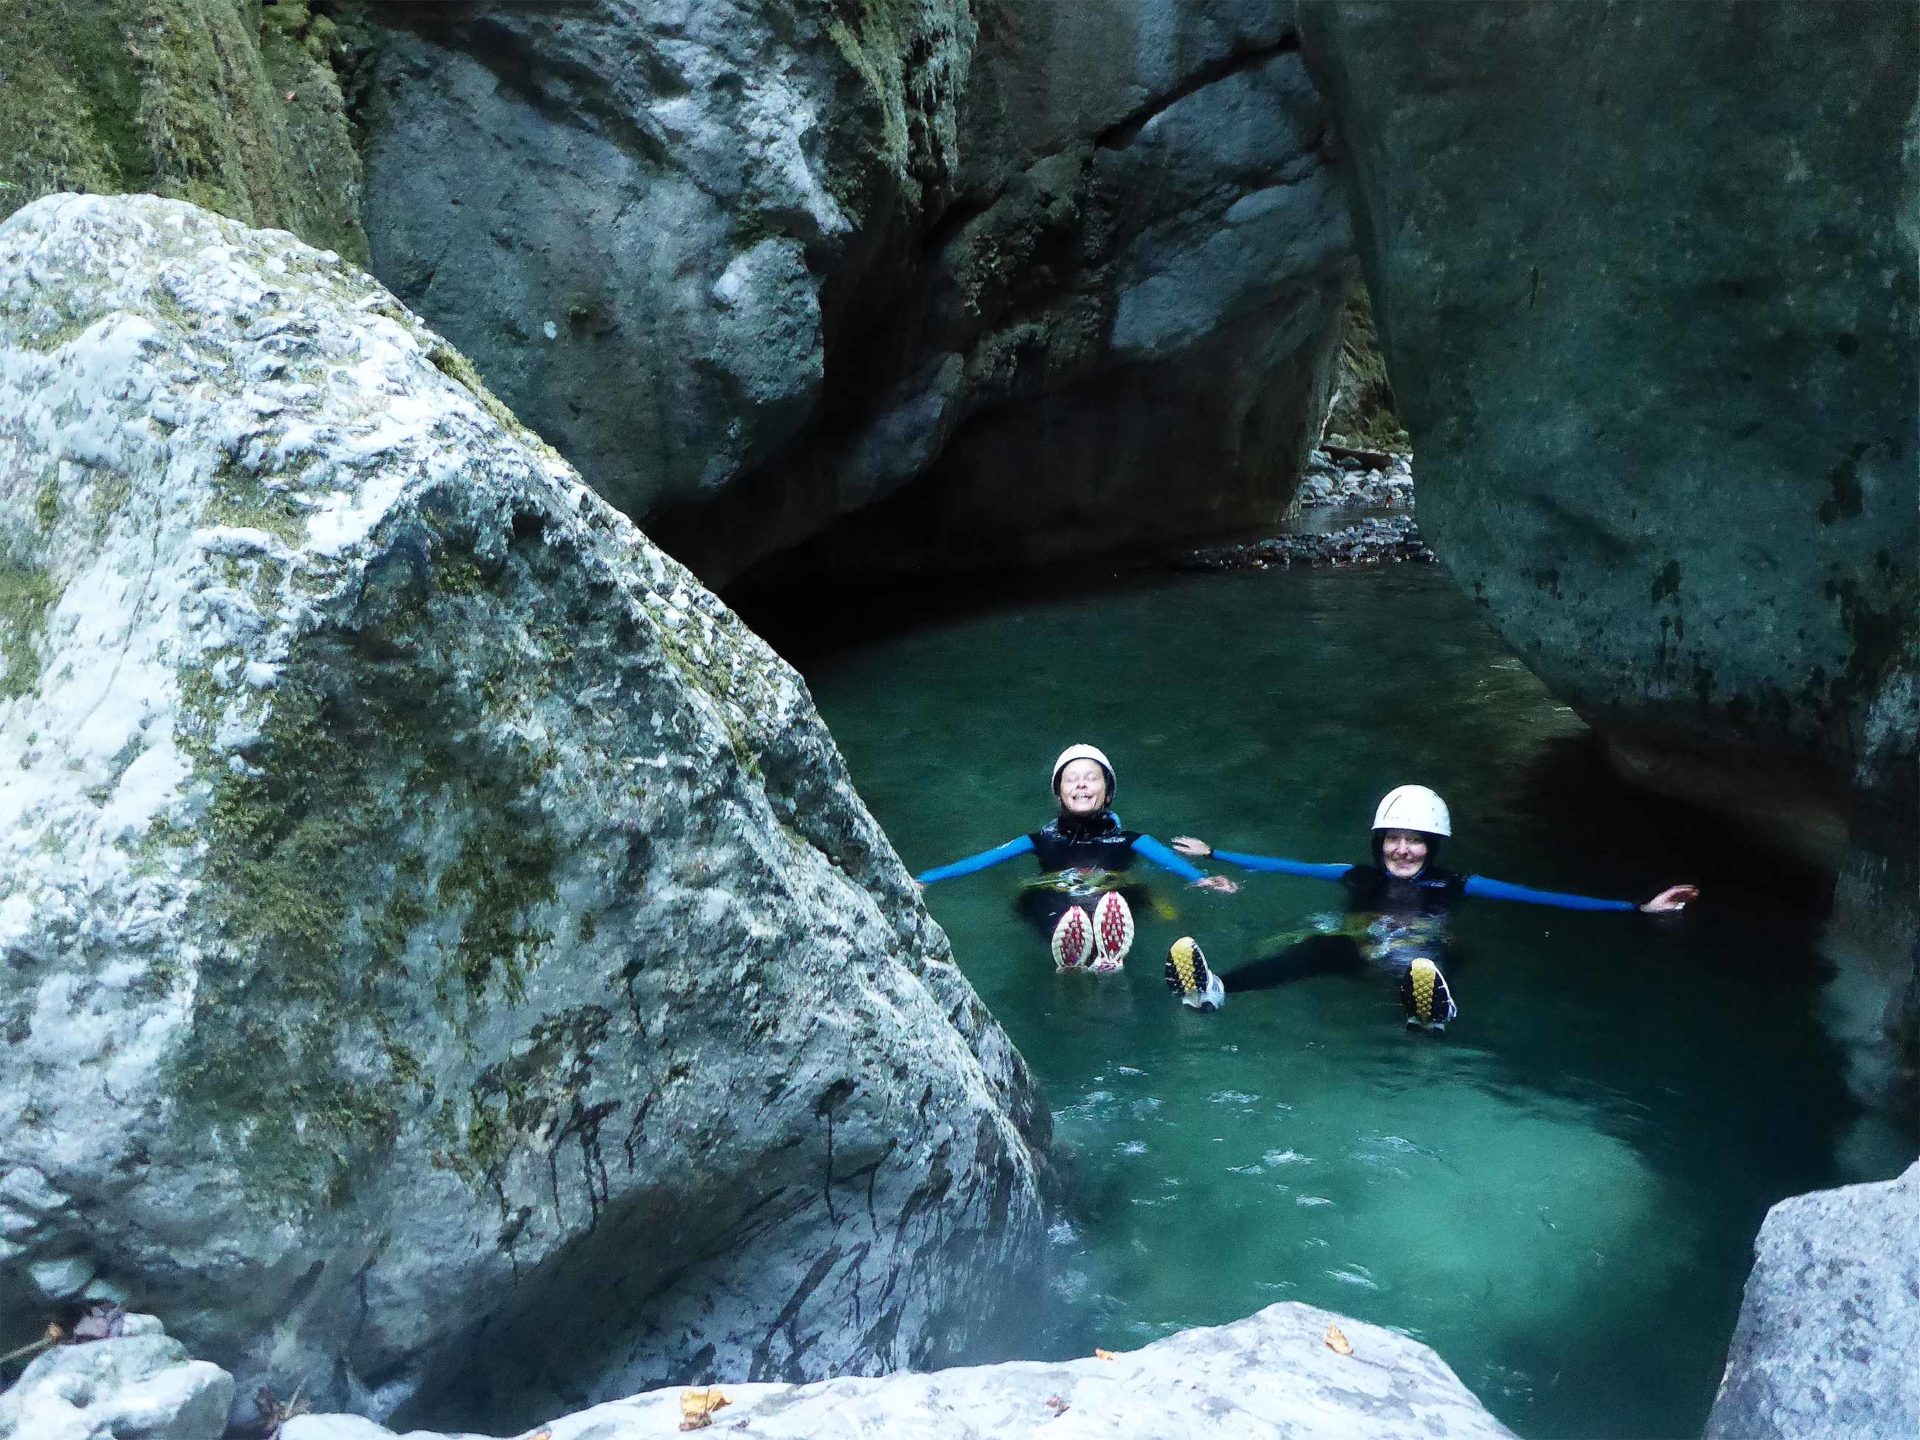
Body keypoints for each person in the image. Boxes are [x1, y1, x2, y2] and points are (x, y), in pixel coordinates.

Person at [1163, 784, 1696, 1031]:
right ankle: (1216, 989)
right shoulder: (1356, 875)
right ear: (1379, 843)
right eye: (1393, 839)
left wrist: (1635, 908)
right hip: (1366, 945)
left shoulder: (1459, 884)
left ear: (1432, 845)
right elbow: (1285, 865)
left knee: (1431, 956)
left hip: (1422, 948)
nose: (1402, 849)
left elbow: (1544, 898)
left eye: (1415, 841)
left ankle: (1430, 1012)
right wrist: (1216, 854)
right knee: (1317, 947)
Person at [916, 744, 1237, 972]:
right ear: (1059, 795)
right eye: (1071, 779)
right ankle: (1078, 957)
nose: (1081, 783)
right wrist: (925, 879)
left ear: (1108, 794)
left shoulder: (1129, 839)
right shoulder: (1041, 840)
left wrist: (1204, 880)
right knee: (1038, 899)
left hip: (1112, 893)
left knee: (1122, 897)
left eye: (1091, 777)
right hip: (1056, 894)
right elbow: (981, 861)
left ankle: (1100, 956)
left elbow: (1171, 862)